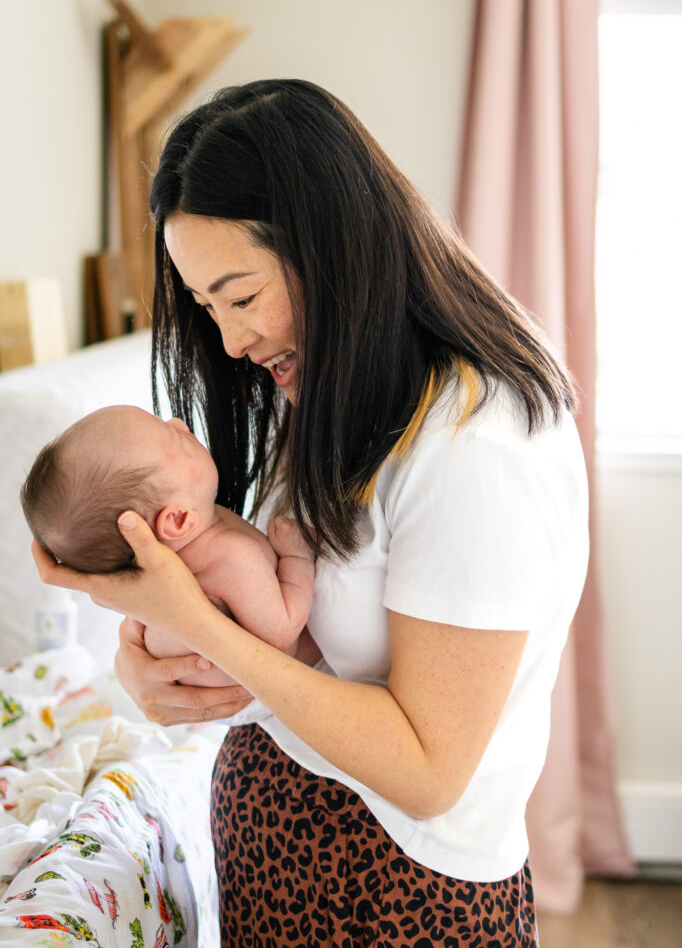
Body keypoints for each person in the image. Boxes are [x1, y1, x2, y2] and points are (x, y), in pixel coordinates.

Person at [33, 79, 589, 947]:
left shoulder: (476, 445)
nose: (229, 344)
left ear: (332, 246)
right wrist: (156, 669)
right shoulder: (330, 383)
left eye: (240, 297)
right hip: (281, 861)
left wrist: (198, 630)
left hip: (400, 896)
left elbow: (430, 771)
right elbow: (305, 643)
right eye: (207, 308)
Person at [21, 404, 314, 687]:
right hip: (268, 705)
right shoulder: (233, 558)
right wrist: (296, 557)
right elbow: (283, 632)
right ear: (176, 519)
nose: (179, 423)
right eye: (176, 438)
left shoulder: (180, 553)